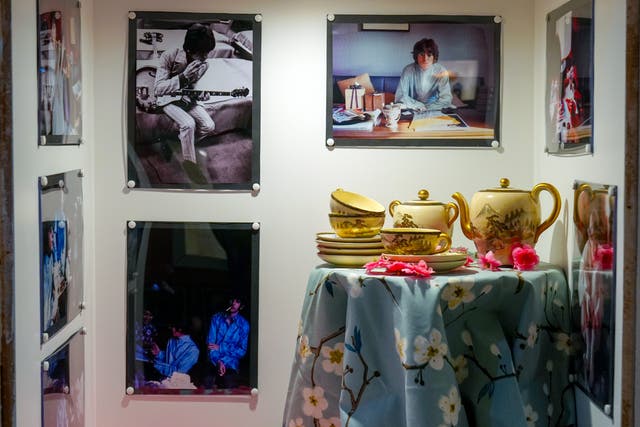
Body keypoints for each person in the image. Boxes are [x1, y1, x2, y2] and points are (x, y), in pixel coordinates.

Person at [153, 23, 217, 184]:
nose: (205, 57)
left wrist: (201, 94)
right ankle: (190, 165)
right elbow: (158, 89)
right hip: (167, 99)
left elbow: (194, 87)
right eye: (202, 53)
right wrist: (183, 77)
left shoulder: (204, 65)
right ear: (189, 50)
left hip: (186, 99)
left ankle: (174, 141)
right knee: (188, 124)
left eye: (207, 53)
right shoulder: (169, 55)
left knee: (209, 126)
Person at [395, 38, 453, 111]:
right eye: (422, 54)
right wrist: (418, 105)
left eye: (429, 55)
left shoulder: (441, 71)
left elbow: (446, 98)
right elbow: (400, 96)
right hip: (412, 107)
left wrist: (428, 108)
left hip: (435, 108)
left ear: (434, 56)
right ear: (416, 56)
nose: (425, 59)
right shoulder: (408, 70)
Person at [206, 297, 250, 389]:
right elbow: (210, 345)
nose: (233, 303)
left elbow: (242, 351)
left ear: (241, 306)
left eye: (237, 301)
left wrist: (221, 348)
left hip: (231, 363)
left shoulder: (244, 324)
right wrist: (218, 361)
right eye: (232, 301)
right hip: (214, 361)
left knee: (229, 385)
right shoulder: (216, 318)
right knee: (206, 385)